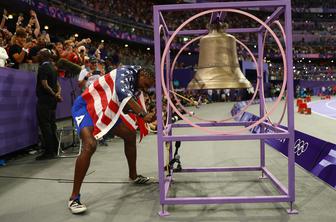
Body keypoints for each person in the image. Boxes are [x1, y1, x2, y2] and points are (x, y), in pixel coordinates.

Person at [68, 65, 155, 214]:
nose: (146, 89)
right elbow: (122, 93)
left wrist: (142, 113)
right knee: (90, 145)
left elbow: (124, 105)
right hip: (85, 106)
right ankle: (74, 198)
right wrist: (142, 114)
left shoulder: (135, 83)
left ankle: (133, 176)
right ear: (142, 75)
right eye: (146, 85)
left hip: (105, 109)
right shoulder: (125, 72)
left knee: (129, 135)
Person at [35, 49, 62, 160]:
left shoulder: (43, 68)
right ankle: (55, 148)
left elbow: (45, 85)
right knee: (52, 125)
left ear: (42, 56)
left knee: (45, 126)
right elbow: (58, 85)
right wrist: (57, 94)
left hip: (45, 101)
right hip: (52, 102)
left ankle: (49, 152)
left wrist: (54, 95)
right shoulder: (53, 67)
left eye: (38, 54)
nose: (37, 55)